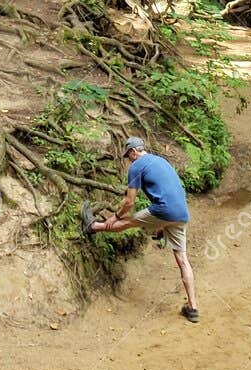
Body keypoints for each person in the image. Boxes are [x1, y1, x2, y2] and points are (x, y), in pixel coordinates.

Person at [83, 137, 199, 323]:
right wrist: (163, 226)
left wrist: (115, 216)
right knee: (183, 260)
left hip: (163, 210)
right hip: (181, 213)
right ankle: (193, 308)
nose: (128, 160)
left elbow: (129, 202)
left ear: (133, 152)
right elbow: (171, 190)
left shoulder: (137, 166)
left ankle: (93, 226)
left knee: (129, 221)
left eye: (128, 156)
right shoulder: (160, 160)